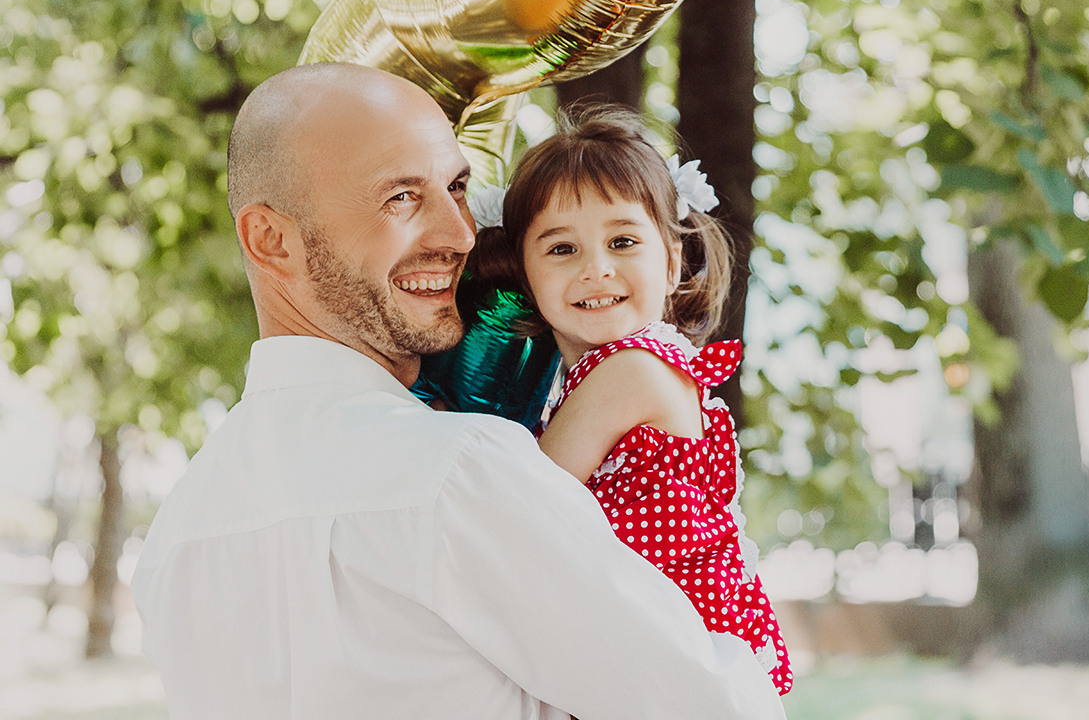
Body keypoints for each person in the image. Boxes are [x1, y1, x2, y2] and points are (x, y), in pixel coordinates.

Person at [130, 63, 785, 720]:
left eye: (458, 188)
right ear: (271, 241)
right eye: (401, 197)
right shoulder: (461, 472)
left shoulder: (178, 536)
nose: (461, 233)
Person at [474, 106, 792, 694]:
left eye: (622, 241)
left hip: (676, 659)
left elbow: (523, 501)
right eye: (562, 249)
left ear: (672, 262)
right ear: (525, 272)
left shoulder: (633, 370)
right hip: (644, 651)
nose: (597, 268)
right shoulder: (592, 376)